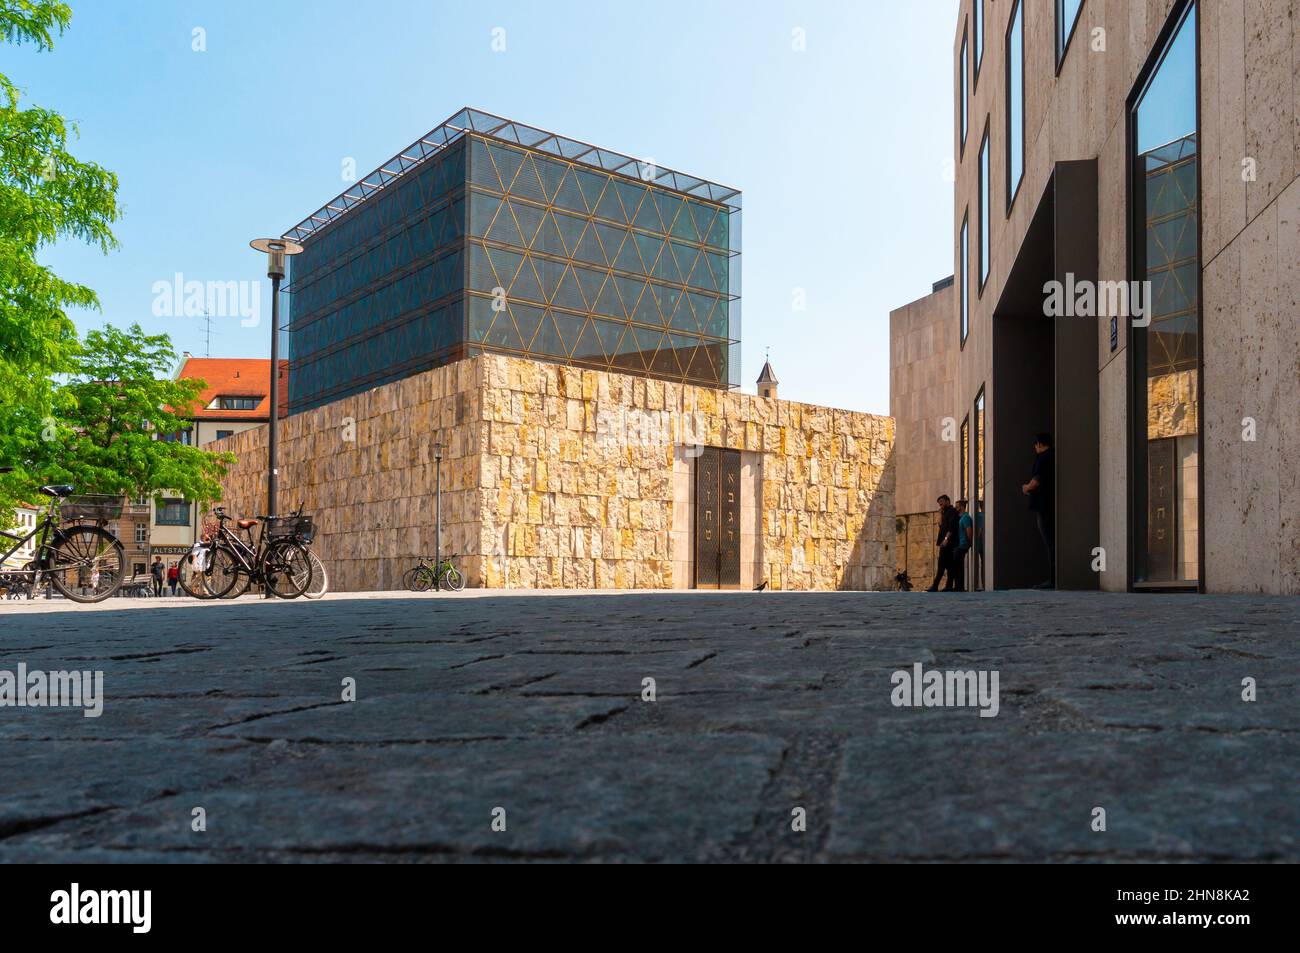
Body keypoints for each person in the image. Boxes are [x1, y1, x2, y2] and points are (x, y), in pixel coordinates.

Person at [1021, 432, 1055, 589]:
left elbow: (1036, 481)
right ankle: (1054, 577)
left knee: (1049, 542)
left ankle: (1053, 579)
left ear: (1040, 444)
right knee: (1050, 541)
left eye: (1036, 445)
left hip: (1044, 505)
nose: (1035, 447)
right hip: (1048, 504)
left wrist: (1026, 487)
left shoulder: (1044, 458)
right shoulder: (1051, 456)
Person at [927, 494, 960, 592]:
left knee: (941, 564)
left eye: (941, 501)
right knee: (949, 565)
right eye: (939, 503)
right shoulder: (944, 513)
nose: (940, 504)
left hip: (949, 543)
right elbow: (941, 526)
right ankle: (948, 586)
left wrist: (946, 539)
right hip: (944, 543)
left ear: (947, 501)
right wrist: (940, 514)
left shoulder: (952, 511)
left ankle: (935, 586)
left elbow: (951, 528)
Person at [952, 499, 973, 592]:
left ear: (962, 506)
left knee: (958, 566)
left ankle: (959, 587)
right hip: (960, 544)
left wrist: (969, 543)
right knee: (957, 566)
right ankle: (958, 586)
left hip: (963, 545)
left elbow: (969, 530)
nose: (956, 507)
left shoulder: (966, 517)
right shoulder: (961, 517)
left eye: (957, 506)